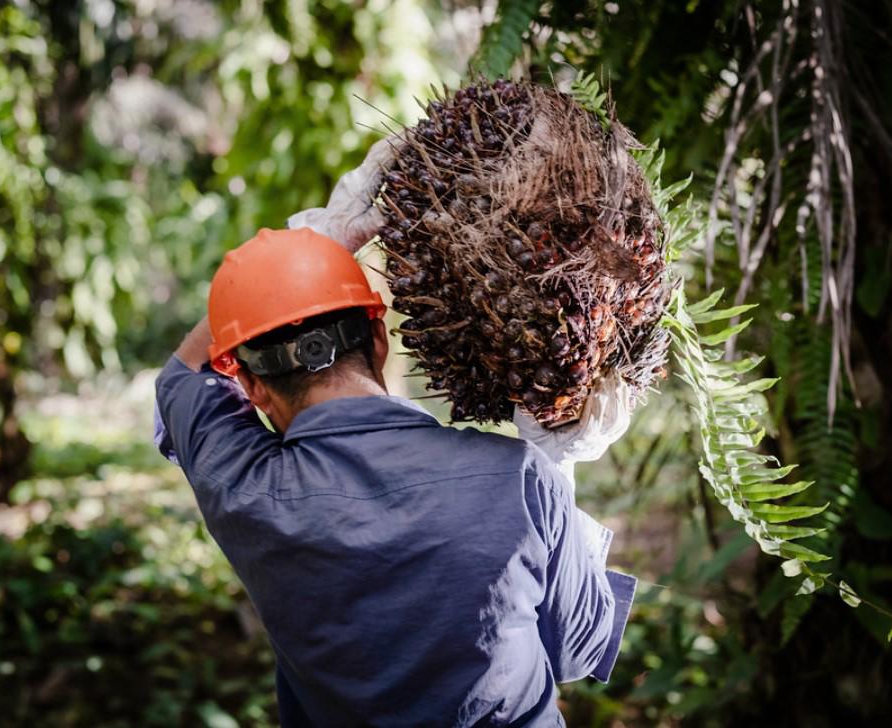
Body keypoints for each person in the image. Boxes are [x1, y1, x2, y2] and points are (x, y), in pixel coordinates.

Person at [154, 139, 637, 727]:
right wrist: (559, 466)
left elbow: (184, 377)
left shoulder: (245, 493)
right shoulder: (519, 480)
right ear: (380, 343)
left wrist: (300, 256)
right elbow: (577, 652)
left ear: (253, 389)